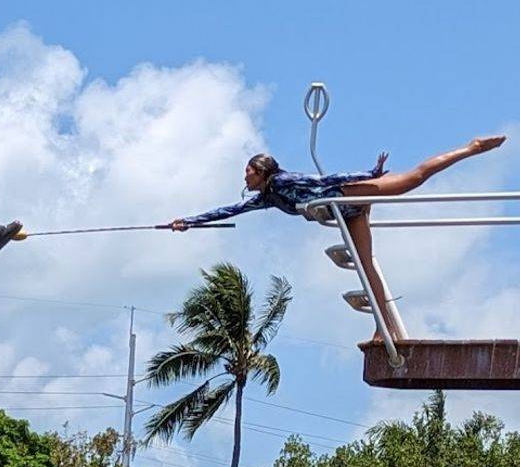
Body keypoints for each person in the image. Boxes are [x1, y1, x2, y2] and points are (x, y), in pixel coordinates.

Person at [170, 136, 506, 338]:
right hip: (349, 214)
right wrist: (188, 222)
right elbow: (229, 211)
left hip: (348, 195)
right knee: (366, 267)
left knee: (412, 180)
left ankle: (471, 148)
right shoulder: (268, 197)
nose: (245, 175)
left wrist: (369, 174)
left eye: (249, 170)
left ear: (262, 172)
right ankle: (383, 327)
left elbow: (326, 179)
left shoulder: (285, 182)